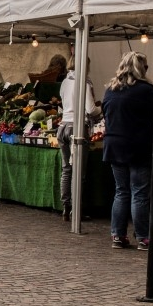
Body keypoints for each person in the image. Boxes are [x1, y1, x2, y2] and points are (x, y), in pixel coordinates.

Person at [102, 51, 153, 251]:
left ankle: (118, 234)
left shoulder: (110, 90)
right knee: (139, 193)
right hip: (138, 147)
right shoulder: (146, 91)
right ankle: (144, 237)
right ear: (142, 69)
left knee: (121, 191)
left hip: (114, 146)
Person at [58, 59, 99, 222]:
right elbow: (91, 109)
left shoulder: (65, 82)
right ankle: (77, 210)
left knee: (66, 169)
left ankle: (66, 207)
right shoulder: (84, 83)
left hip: (63, 126)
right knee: (78, 172)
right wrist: (102, 109)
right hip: (77, 128)